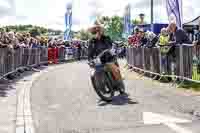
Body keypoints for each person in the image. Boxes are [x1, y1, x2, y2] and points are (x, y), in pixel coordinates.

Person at [88, 21, 126, 95]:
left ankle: (120, 85)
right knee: (96, 72)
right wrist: (90, 60)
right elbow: (89, 53)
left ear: (101, 31)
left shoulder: (106, 38)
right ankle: (101, 89)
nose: (97, 31)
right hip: (99, 60)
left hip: (108, 58)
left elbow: (111, 47)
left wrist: (109, 50)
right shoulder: (91, 41)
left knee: (114, 70)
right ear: (93, 32)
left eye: (98, 30)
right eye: (95, 30)